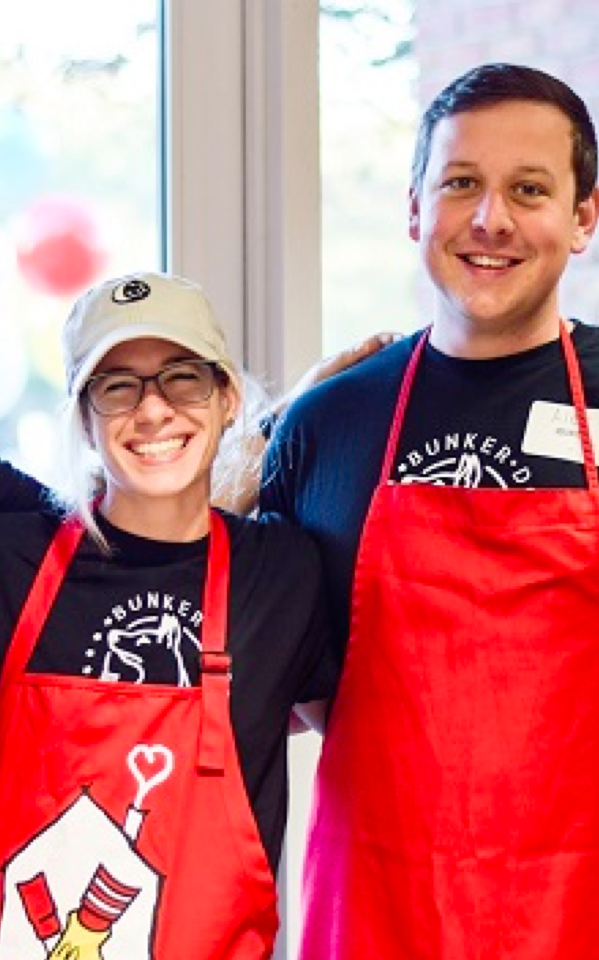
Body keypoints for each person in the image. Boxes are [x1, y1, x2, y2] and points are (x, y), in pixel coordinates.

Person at [262, 62, 599, 960]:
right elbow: (259, 678)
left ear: (585, 216)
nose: (491, 220)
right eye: (460, 185)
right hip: (383, 913)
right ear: (415, 209)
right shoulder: (327, 427)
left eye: (529, 189)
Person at [0, 271, 342, 960]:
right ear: (84, 421)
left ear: (226, 398)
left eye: (181, 377)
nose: (152, 411)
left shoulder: (282, 574)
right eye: (117, 385)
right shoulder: (16, 558)